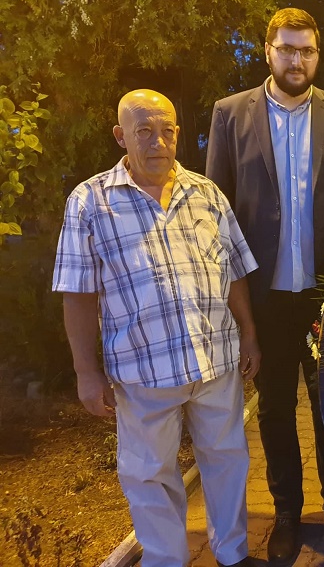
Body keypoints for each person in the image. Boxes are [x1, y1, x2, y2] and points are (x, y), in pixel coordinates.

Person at [53, 90, 262, 567]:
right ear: (120, 136)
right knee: (149, 475)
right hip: (143, 369)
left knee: (227, 460)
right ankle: (167, 560)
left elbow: (234, 270)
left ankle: (233, 554)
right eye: (144, 131)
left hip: (215, 360)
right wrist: (85, 371)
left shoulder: (206, 193)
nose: (157, 142)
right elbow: (77, 293)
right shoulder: (90, 202)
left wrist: (249, 333)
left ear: (178, 134)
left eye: (167, 131)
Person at [205, 8, 324, 565]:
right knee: (275, 409)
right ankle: (285, 513)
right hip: (265, 299)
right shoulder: (230, 115)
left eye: (306, 50)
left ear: (317, 55)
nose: (296, 60)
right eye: (287, 49)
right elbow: (217, 213)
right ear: (268, 51)